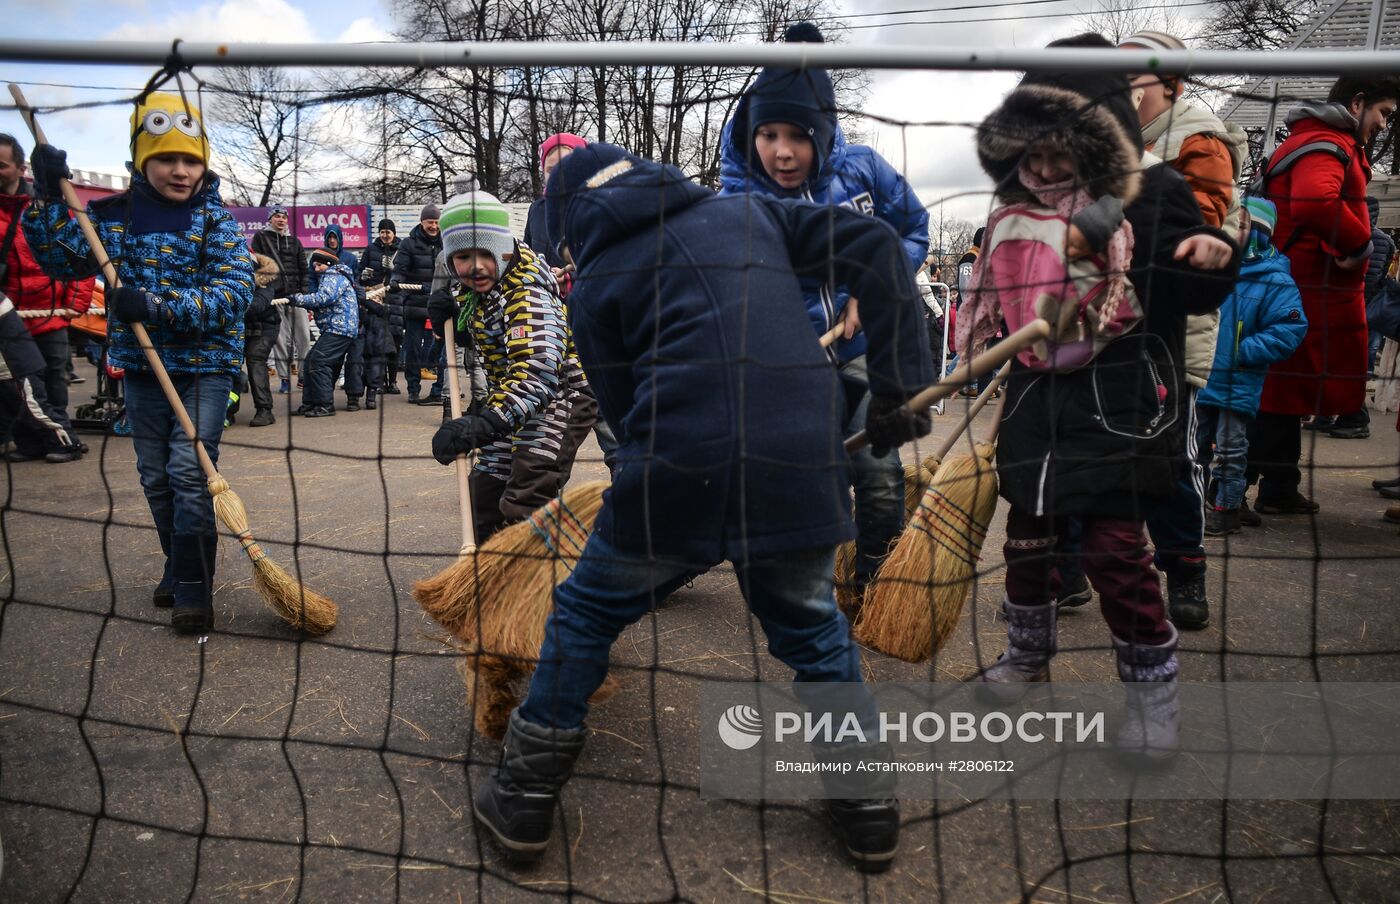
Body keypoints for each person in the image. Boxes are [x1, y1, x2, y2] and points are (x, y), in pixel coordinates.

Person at [467, 143, 934, 871]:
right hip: (801, 467)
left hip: (676, 474)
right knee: (813, 634)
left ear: (569, 223)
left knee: (587, 614)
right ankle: (869, 807)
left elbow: (623, 410)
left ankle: (525, 798)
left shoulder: (594, 285)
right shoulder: (752, 213)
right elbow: (874, 241)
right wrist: (902, 381)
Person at [958, 34, 1239, 760]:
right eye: (1036, 144)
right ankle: (1028, 654)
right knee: (1027, 539)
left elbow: (1194, 280)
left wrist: (1211, 259)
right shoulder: (1017, 207)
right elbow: (1001, 294)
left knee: (1116, 550)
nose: (1051, 161)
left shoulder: (1154, 192)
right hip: (1036, 403)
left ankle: (1151, 689)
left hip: (1121, 401)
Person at [23, 91, 254, 634]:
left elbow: (234, 291)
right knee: (154, 476)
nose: (180, 171)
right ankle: (176, 564)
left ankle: (196, 588)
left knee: (189, 473)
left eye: (191, 159)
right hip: (143, 369)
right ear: (140, 160)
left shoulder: (214, 221)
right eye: (166, 158)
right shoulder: (110, 217)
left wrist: (156, 306)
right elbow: (60, 260)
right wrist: (48, 197)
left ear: (204, 163)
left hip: (204, 369)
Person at [718, 21, 930, 599]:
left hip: (864, 352)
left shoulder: (863, 170)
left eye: (799, 136)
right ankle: (805, 593)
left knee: (880, 474)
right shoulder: (737, 202)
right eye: (769, 135)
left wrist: (873, 282)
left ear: (825, 131)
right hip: (791, 365)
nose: (783, 152)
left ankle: (873, 586)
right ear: (750, 135)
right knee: (806, 483)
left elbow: (913, 228)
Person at [1117, 30, 1252, 621]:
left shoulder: (1197, 141)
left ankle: (1185, 566)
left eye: (1134, 74)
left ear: (1168, 81)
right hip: (1102, 330)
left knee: (1171, 458)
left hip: (1168, 330)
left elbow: (1198, 227)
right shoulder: (1109, 139)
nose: (1119, 86)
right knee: (1081, 453)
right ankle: (1064, 570)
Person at [1247, 74, 1399, 513]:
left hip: (1302, 284)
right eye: (1384, 113)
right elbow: (1316, 200)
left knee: (1286, 392)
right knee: (1281, 392)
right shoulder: (1329, 143)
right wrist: (1360, 245)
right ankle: (1236, 489)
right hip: (1307, 288)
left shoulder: (1316, 140)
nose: (1385, 125)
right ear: (1357, 102)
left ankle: (1276, 486)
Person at [426, 188, 593, 542]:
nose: (475, 266)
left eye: (485, 252)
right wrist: (457, 318)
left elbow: (537, 373)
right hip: (513, 399)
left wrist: (482, 424)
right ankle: (490, 570)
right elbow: (492, 334)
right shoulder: (476, 291)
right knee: (483, 495)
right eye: (462, 257)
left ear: (504, 246)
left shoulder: (527, 292)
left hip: (559, 396)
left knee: (528, 490)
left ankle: (538, 582)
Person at [1194, 198, 1308, 562]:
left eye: (1240, 225)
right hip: (1202, 377)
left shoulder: (1276, 280)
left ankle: (1227, 509)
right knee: (1194, 448)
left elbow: (1291, 327)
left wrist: (1245, 351)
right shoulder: (1215, 268)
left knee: (1231, 449)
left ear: (1258, 233)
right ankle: (1193, 504)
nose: (1231, 230)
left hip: (1238, 380)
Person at [523, 131, 619, 472]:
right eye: (551, 168)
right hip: (549, 335)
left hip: (599, 333)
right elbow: (526, 265)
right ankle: (540, 505)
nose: (559, 174)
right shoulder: (537, 211)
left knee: (613, 426)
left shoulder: (606, 205)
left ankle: (629, 497)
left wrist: (583, 271)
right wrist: (545, 275)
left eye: (567, 165)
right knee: (546, 439)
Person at [0, 131, 96, 456]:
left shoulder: (43, 208)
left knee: (53, 379)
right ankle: (30, 441)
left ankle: (60, 439)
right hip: (8, 318)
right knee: (19, 385)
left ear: (18, 167)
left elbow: (80, 254)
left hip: (51, 313)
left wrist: (76, 304)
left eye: (1, 165)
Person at [288, 248, 359, 417]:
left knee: (319, 362)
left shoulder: (333, 275)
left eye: (319, 265)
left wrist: (297, 299)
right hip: (338, 328)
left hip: (340, 328)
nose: (316, 269)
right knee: (312, 360)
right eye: (314, 265)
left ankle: (325, 405)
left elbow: (324, 298)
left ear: (328, 264)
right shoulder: (334, 276)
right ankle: (310, 404)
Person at [251, 204, 310, 396]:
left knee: (304, 338)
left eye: (284, 217)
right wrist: (265, 290)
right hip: (274, 298)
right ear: (270, 219)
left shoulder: (295, 241)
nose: (281, 220)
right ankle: (284, 379)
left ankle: (303, 377)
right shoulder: (260, 238)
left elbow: (303, 268)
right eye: (277, 216)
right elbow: (257, 265)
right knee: (280, 340)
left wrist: (304, 294)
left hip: (296, 297)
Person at [389, 204, 442, 404]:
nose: (434, 226)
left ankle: (442, 387)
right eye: (430, 222)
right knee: (413, 347)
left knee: (442, 347)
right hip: (414, 302)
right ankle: (413, 388)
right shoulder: (408, 244)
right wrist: (396, 280)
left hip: (439, 302)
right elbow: (400, 268)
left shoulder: (445, 241)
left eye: (436, 222)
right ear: (422, 222)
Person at [242, 254, 283, 427]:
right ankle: (227, 412)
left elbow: (257, 305)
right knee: (229, 363)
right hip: (243, 328)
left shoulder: (265, 279)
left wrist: (228, 303)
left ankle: (265, 410)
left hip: (266, 327)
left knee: (255, 359)